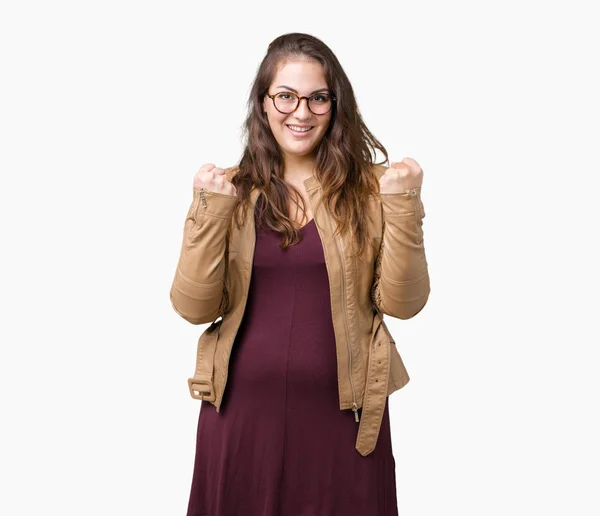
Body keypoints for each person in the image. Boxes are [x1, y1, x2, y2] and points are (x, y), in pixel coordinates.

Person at [170, 32, 430, 516]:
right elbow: (193, 307)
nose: (301, 112)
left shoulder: (374, 190)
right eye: (286, 96)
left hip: (345, 424)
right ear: (264, 104)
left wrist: (404, 204)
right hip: (240, 418)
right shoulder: (230, 189)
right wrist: (208, 211)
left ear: (336, 105)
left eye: (317, 97)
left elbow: (404, 303)